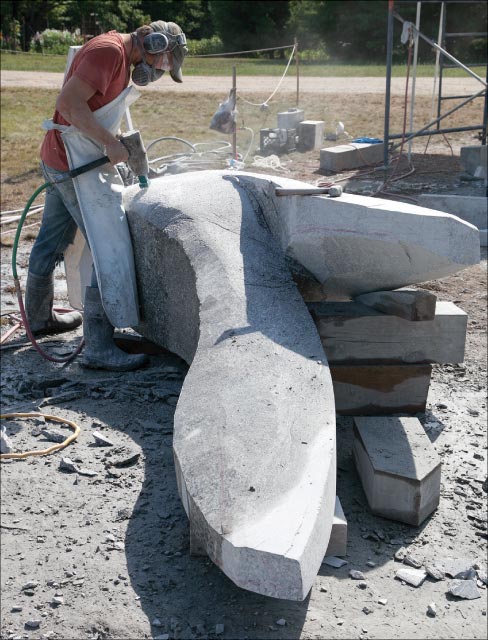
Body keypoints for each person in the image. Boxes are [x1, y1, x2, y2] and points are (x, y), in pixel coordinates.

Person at [25, 20, 187, 371]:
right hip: (72, 163)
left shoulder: (119, 58)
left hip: (67, 158)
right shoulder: (108, 52)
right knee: (108, 243)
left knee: (51, 242)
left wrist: (113, 142)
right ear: (153, 41)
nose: (158, 71)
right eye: (162, 63)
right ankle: (98, 347)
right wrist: (109, 143)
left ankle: (38, 320)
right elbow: (68, 104)